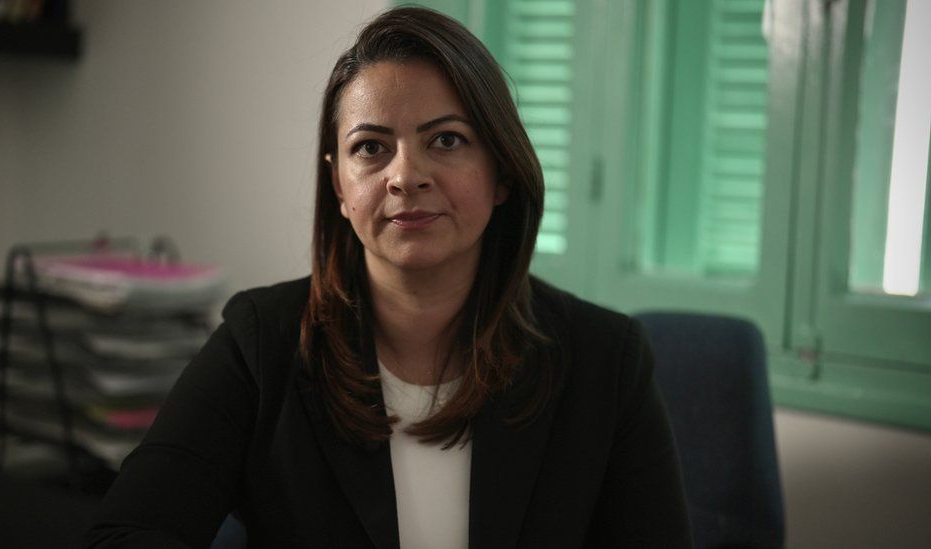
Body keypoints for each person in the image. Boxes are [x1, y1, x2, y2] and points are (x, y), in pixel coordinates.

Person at [85, 6, 691, 548]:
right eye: (371, 148)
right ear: (340, 186)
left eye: (447, 140)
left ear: (501, 172)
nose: (406, 176)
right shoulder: (261, 343)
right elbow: (125, 533)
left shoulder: (605, 360)